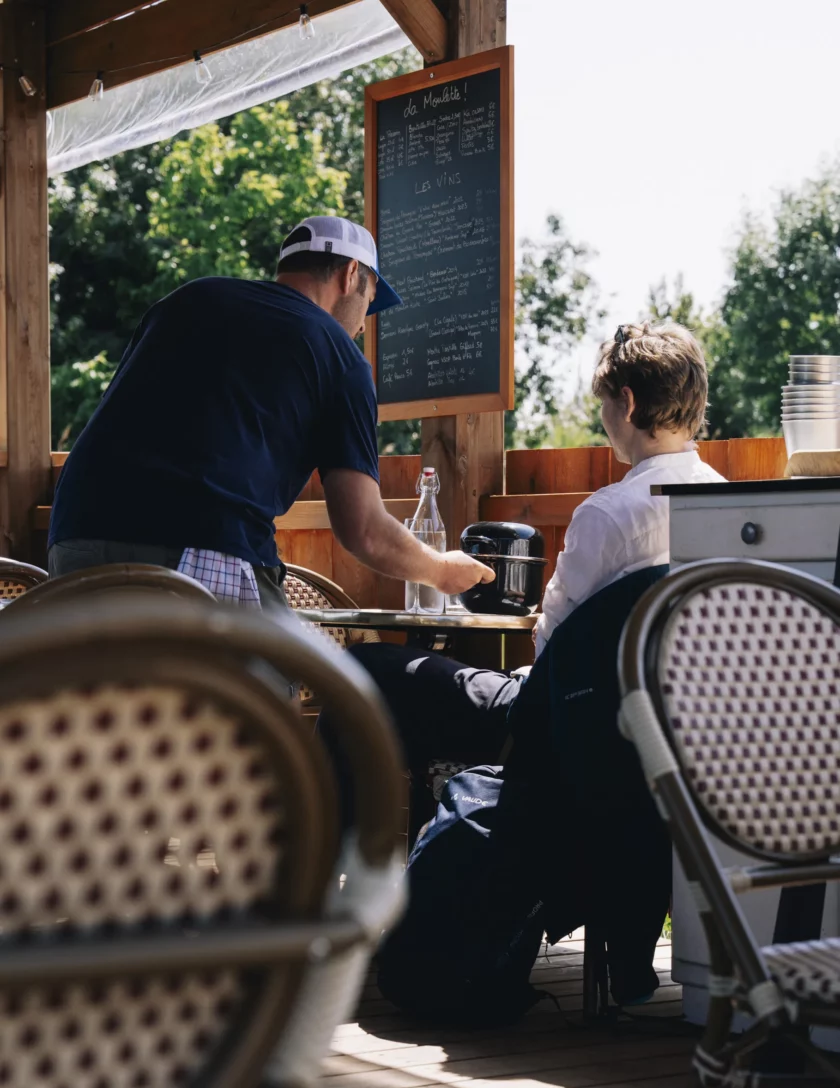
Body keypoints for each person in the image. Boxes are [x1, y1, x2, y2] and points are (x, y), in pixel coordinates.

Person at [327, 320, 727, 788]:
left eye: (604, 403)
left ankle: (335, 850)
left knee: (365, 669)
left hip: (563, 724)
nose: (603, 417)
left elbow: (551, 646)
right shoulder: (724, 503)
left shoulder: (609, 514)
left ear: (629, 402)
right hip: (675, 734)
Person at [48, 216, 493, 610]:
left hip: (72, 541)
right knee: (268, 701)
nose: (362, 325)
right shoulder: (340, 356)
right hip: (195, 548)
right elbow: (365, 530)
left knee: (105, 704)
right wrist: (440, 570)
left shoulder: (188, 299)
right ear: (350, 274)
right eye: (369, 303)